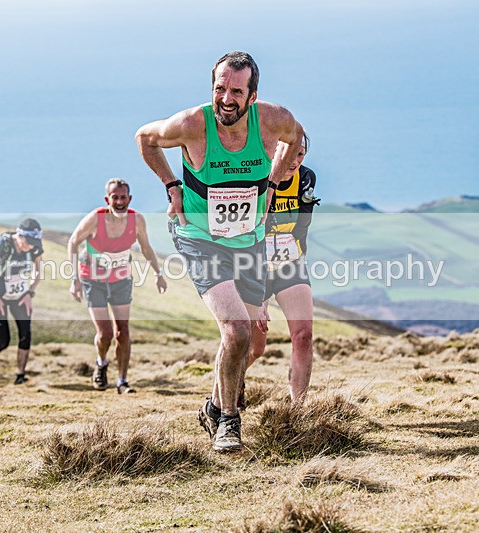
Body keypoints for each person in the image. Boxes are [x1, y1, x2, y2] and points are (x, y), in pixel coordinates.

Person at [136, 51, 304, 452]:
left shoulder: (274, 120)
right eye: (219, 89)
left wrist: (273, 182)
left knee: (248, 343)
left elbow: (296, 137)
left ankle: (213, 406)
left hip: (249, 239)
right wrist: (172, 186)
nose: (226, 100)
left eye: (236, 92)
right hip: (199, 237)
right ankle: (229, 420)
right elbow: (144, 138)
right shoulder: (192, 124)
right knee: (237, 329)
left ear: (252, 96)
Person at [67, 178, 167, 394]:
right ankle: (101, 362)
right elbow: (73, 242)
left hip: (120, 279)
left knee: (122, 331)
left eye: (123, 197)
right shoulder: (96, 218)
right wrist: (75, 279)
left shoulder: (136, 220)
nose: (119, 202)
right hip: (93, 279)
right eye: (115, 197)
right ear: (107, 199)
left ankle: (122, 381)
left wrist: (158, 274)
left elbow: (146, 247)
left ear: (129, 199)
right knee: (105, 334)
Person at [247, 134, 318, 404]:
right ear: (274, 152)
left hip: (291, 265)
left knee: (303, 336)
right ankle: (227, 389)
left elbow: (302, 226)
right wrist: (260, 297)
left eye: (300, 154)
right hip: (254, 267)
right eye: (289, 153)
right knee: (255, 349)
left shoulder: (307, 178)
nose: (294, 161)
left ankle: (298, 410)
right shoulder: (258, 180)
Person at [0, 218, 44, 386]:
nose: (30, 246)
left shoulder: (35, 247)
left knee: (25, 334)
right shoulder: (3, 245)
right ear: (19, 235)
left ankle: (20, 375)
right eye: (27, 242)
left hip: (20, 295)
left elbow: (39, 271)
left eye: (33, 243)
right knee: (3, 341)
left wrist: (30, 293)